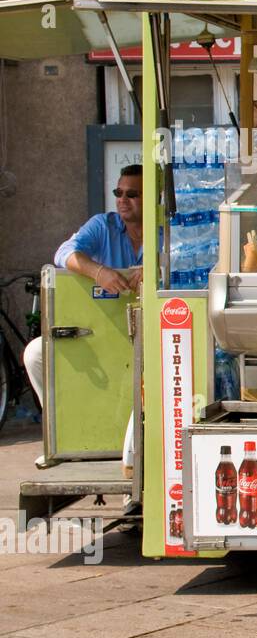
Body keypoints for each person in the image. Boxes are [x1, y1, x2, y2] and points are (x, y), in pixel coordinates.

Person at [23, 164, 144, 468]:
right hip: (100, 333)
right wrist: (98, 272)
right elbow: (64, 253)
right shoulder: (103, 225)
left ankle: (136, 450)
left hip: (148, 334)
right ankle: (61, 439)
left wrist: (155, 273)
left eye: (132, 194)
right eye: (119, 192)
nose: (122, 199)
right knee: (36, 353)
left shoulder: (168, 229)